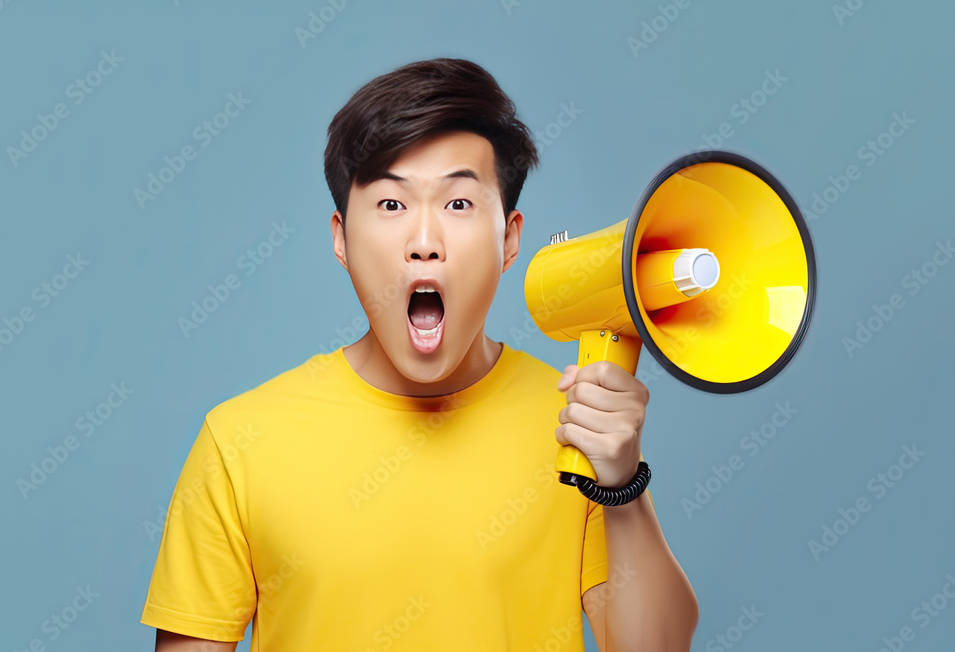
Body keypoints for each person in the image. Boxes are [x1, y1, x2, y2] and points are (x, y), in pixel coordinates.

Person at [140, 57, 698, 651]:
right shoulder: (238, 443)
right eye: (390, 205)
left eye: (458, 204)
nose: (424, 244)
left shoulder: (572, 427)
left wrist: (624, 486)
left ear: (509, 239)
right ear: (341, 239)